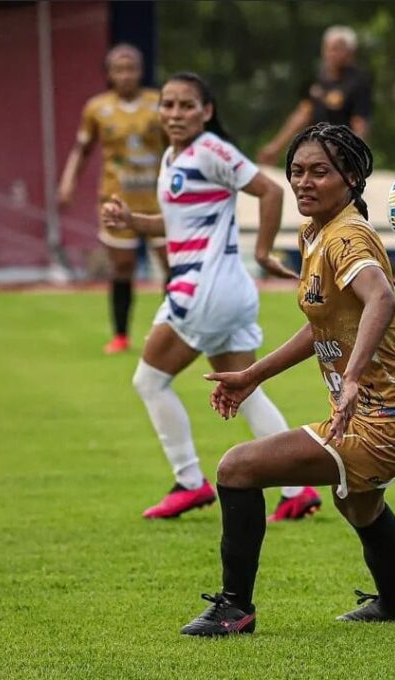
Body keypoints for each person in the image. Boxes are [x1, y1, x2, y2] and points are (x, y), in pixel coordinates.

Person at [179, 123, 395, 636]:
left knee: (237, 468)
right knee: (357, 502)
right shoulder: (315, 231)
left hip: (384, 417)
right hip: (380, 410)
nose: (304, 182)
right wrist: (252, 374)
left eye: (320, 172)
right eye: (297, 171)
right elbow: (322, 324)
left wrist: (355, 376)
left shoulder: (346, 236)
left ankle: (235, 607)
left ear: (353, 178)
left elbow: (380, 298)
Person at [102, 72, 321, 522]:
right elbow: (175, 221)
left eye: (187, 105)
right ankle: (298, 490)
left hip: (204, 288)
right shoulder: (172, 156)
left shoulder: (211, 151)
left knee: (149, 381)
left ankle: (189, 481)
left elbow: (270, 189)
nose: (176, 113)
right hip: (224, 289)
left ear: (207, 111)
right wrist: (131, 219)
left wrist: (261, 251)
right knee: (242, 385)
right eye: (168, 105)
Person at [58, 43, 168, 354]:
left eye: (130, 68)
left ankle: (171, 333)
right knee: (122, 267)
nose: (125, 75)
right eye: (119, 69)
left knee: (172, 266)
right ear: (109, 74)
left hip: (157, 199)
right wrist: (68, 183)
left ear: (140, 71)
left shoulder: (158, 103)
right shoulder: (97, 108)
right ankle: (121, 335)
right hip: (117, 199)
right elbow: (83, 149)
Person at [257, 25, 372, 164]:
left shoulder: (358, 82)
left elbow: (360, 123)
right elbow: (303, 114)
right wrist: (275, 147)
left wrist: (355, 156)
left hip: (341, 152)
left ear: (351, 52)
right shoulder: (317, 78)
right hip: (314, 148)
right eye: (328, 48)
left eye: (337, 48)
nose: (331, 53)